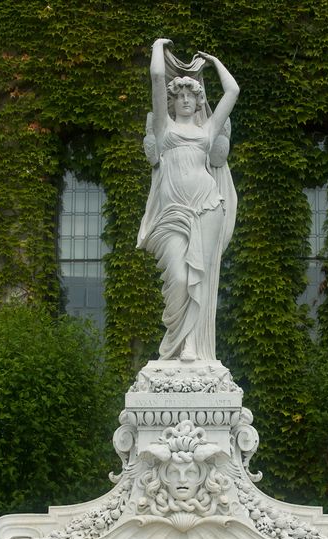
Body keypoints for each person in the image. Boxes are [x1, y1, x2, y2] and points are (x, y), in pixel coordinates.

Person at [137, 38, 239, 362]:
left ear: (198, 103)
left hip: (207, 206)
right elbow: (156, 77)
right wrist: (157, 46)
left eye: (190, 96)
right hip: (171, 213)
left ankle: (192, 346)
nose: (184, 100)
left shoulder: (208, 131)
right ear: (172, 101)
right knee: (179, 278)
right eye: (179, 95)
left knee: (201, 278)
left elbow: (233, 92)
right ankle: (174, 344)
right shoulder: (163, 128)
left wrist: (214, 60)